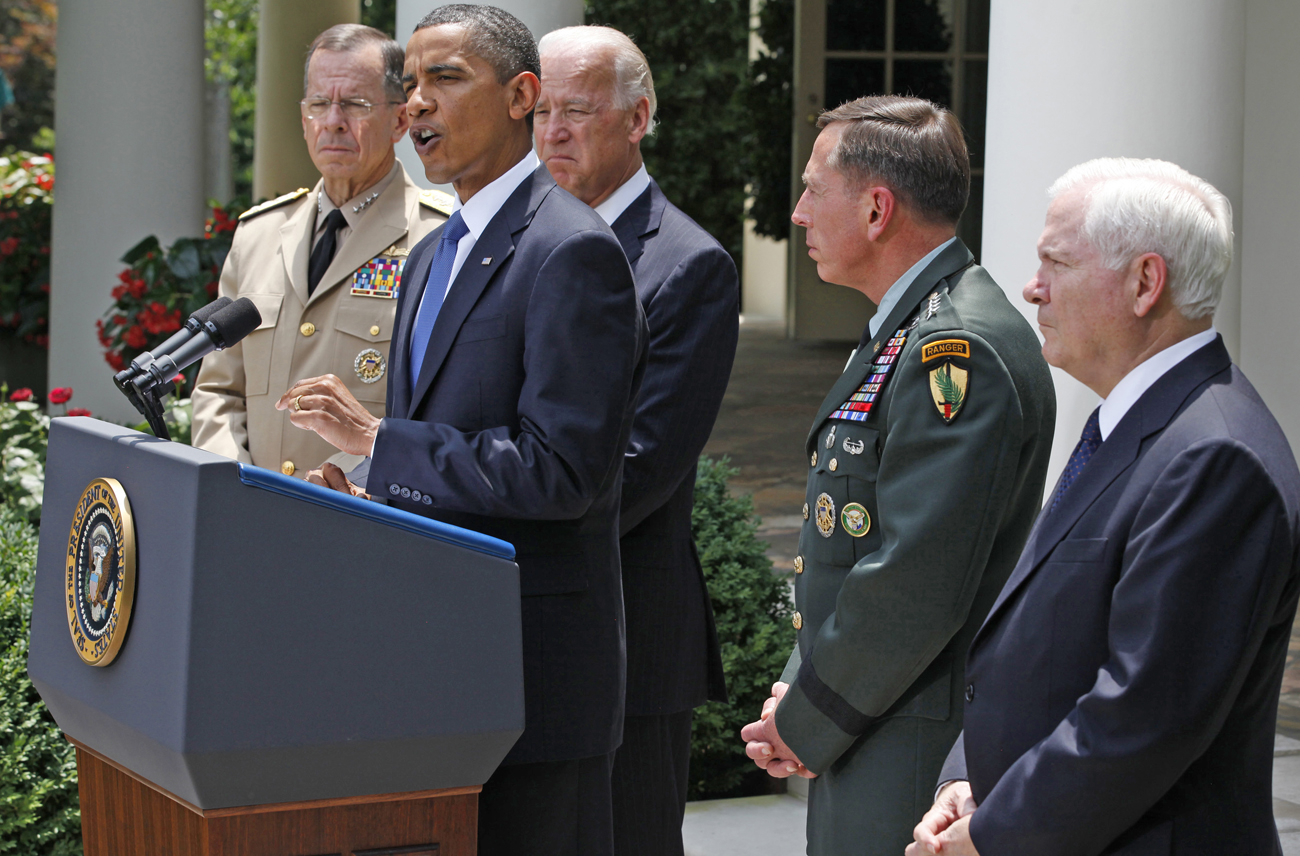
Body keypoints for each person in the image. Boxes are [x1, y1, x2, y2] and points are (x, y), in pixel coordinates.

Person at [274, 7, 646, 856]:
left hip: (532, 686)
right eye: (409, 85)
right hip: (430, 670)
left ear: (523, 96)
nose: (415, 107)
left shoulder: (571, 251)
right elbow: (434, 438)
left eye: (445, 79)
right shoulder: (433, 253)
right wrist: (363, 488)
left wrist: (378, 445)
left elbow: (562, 471)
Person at [910, 158, 1300, 856]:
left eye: (1055, 263)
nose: (1033, 288)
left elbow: (1144, 715)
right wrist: (967, 781)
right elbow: (1046, 643)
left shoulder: (1215, 456)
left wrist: (995, 833)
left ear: (1145, 282)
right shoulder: (1139, 422)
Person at [739, 95, 1056, 855]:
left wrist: (808, 717)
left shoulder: (956, 347)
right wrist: (798, 694)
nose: (798, 212)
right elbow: (841, 553)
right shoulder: (905, 330)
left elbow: (914, 579)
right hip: (868, 712)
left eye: (815, 189)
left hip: (912, 734)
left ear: (877, 209)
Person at [535, 25, 737, 856]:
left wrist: (483, 527)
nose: (552, 132)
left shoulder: (687, 265)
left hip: (627, 641)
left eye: (577, 111)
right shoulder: (519, 247)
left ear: (638, 117)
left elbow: (641, 465)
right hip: (518, 624)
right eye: (540, 110)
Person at [191, 23, 452, 477]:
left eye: (354, 104)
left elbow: (440, 405)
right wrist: (231, 483)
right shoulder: (259, 234)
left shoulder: (440, 236)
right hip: (249, 515)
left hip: (363, 517)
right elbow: (219, 390)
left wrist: (349, 483)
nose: (332, 120)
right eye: (318, 104)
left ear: (399, 120)